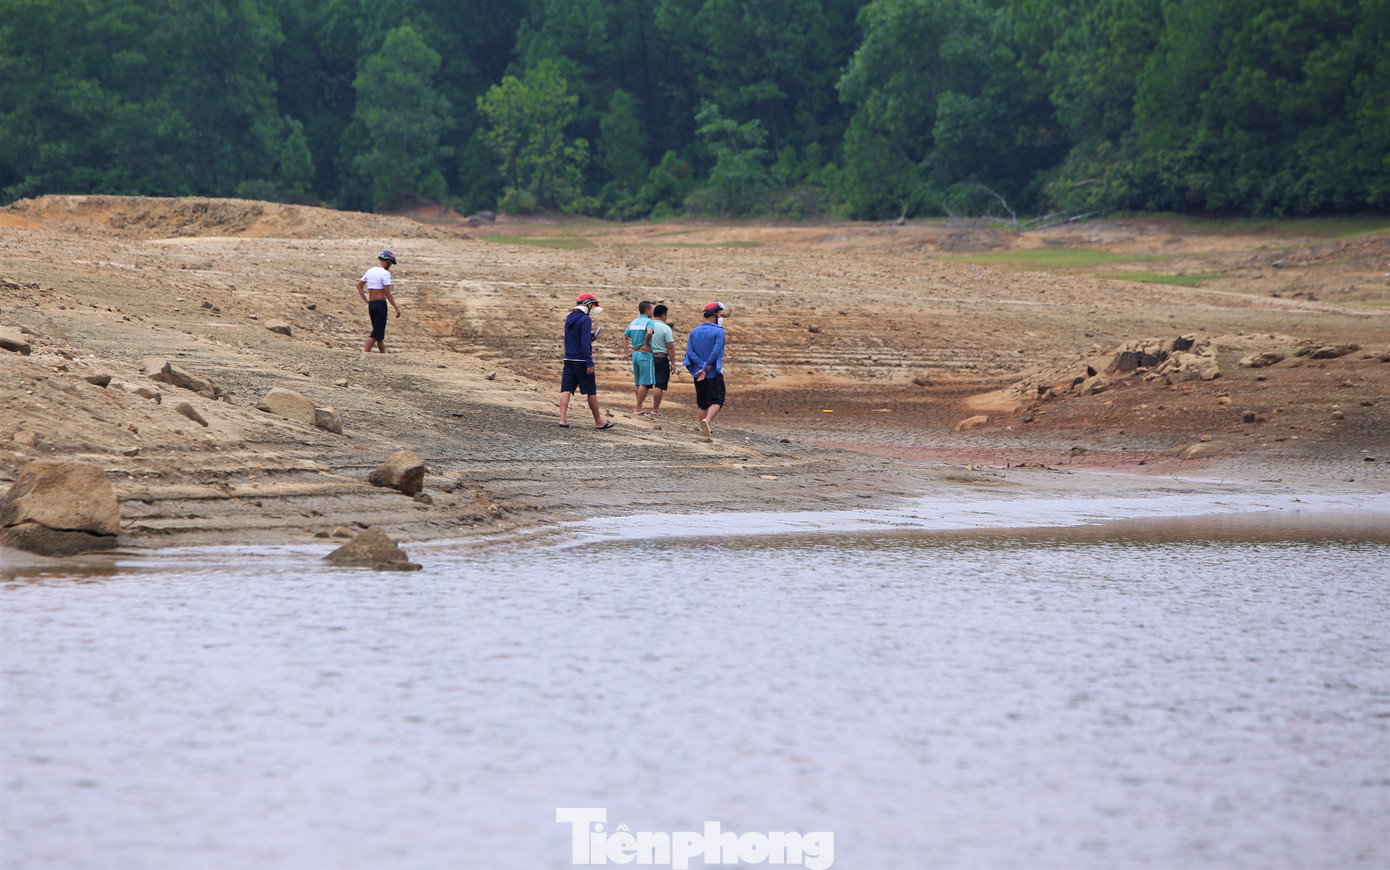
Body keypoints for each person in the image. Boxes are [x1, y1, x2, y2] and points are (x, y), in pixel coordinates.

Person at [559, 293, 616, 430]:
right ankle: (599, 421)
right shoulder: (585, 320)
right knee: (591, 391)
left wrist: (590, 337)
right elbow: (584, 343)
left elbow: (574, 338)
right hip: (582, 361)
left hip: (569, 359)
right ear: (588, 305)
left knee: (566, 389)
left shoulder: (569, 317)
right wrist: (589, 363)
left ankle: (562, 419)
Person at [683, 301, 728, 440]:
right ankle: (707, 421)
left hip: (697, 373)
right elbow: (716, 351)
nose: (720, 317)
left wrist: (700, 366)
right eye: (720, 314)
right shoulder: (719, 331)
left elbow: (690, 352)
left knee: (702, 403)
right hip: (712, 372)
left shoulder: (694, 332)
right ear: (714, 315)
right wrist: (706, 366)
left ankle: (704, 431)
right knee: (717, 400)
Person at [357, 250, 401, 353]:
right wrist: (396, 307)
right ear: (388, 261)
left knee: (379, 332)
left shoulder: (370, 271)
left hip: (372, 304)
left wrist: (366, 300)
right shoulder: (385, 274)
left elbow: (359, 285)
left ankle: (383, 354)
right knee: (376, 333)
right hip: (380, 304)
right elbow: (387, 293)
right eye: (391, 263)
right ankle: (364, 354)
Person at [625, 300, 655, 414]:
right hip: (644, 354)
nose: (652, 311)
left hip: (635, 354)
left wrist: (628, 351)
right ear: (647, 310)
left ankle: (639, 407)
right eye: (651, 309)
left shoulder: (633, 322)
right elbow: (649, 332)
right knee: (644, 382)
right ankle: (638, 408)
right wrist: (647, 344)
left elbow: (624, 336)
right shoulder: (649, 322)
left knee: (638, 382)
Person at [648, 304, 677, 417]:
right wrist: (673, 363)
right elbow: (670, 347)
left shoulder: (648, 325)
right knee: (659, 385)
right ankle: (655, 410)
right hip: (661, 357)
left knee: (644, 384)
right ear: (664, 315)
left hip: (648, 357)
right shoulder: (666, 328)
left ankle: (639, 407)